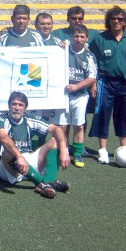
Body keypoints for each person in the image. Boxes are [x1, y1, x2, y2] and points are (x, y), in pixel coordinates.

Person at [87, 5, 126, 164]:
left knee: (125, 115)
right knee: (102, 113)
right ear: (108, 21)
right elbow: (92, 61)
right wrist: (94, 83)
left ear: (125, 22)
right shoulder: (99, 38)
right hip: (106, 82)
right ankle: (102, 150)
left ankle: (123, 148)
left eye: (120, 19)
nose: (117, 21)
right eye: (113, 19)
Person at [0, 91, 71, 199]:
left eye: (20, 105)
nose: (17, 108)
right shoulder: (1, 117)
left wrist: (64, 151)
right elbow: (4, 138)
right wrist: (19, 156)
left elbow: (56, 129)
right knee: (7, 150)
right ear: (9, 105)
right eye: (14, 104)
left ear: (25, 108)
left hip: (28, 163)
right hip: (8, 168)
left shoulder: (29, 118)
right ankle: (44, 183)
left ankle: (47, 183)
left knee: (55, 141)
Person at [48, 25, 97, 168]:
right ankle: (61, 149)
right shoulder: (62, 51)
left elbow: (92, 77)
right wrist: (61, 45)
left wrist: (77, 86)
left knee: (79, 125)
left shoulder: (89, 55)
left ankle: (77, 153)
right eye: (76, 36)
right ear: (70, 37)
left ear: (86, 39)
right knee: (62, 125)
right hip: (63, 95)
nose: (79, 39)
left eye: (82, 37)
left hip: (80, 96)